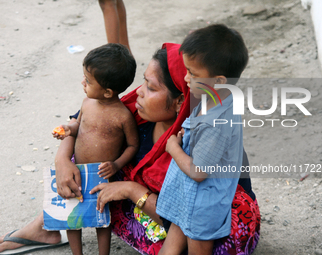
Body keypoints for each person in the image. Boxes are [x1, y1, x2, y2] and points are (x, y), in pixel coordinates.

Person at [0, 42, 260, 255]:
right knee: (94, 148)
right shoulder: (139, 114)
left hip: (211, 216)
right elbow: (81, 121)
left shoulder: (191, 140)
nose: (140, 93)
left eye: (151, 87)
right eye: (143, 82)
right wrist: (61, 159)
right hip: (160, 204)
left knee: (210, 245)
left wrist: (129, 189)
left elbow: (188, 213)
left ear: (181, 100)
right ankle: (47, 225)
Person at [157, 24, 248, 255]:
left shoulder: (216, 122)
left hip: (203, 206)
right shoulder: (216, 97)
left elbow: (199, 172)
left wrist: (174, 147)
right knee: (173, 243)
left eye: (193, 73)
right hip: (189, 196)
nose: (186, 77)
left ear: (218, 80)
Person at [51, 43, 139, 255]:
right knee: (72, 217)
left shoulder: (123, 116)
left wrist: (117, 164)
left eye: (88, 81)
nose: (83, 82)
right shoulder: (87, 102)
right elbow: (77, 125)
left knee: (102, 218)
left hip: (101, 175)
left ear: (108, 92)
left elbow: (132, 145)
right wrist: (67, 130)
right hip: (77, 169)